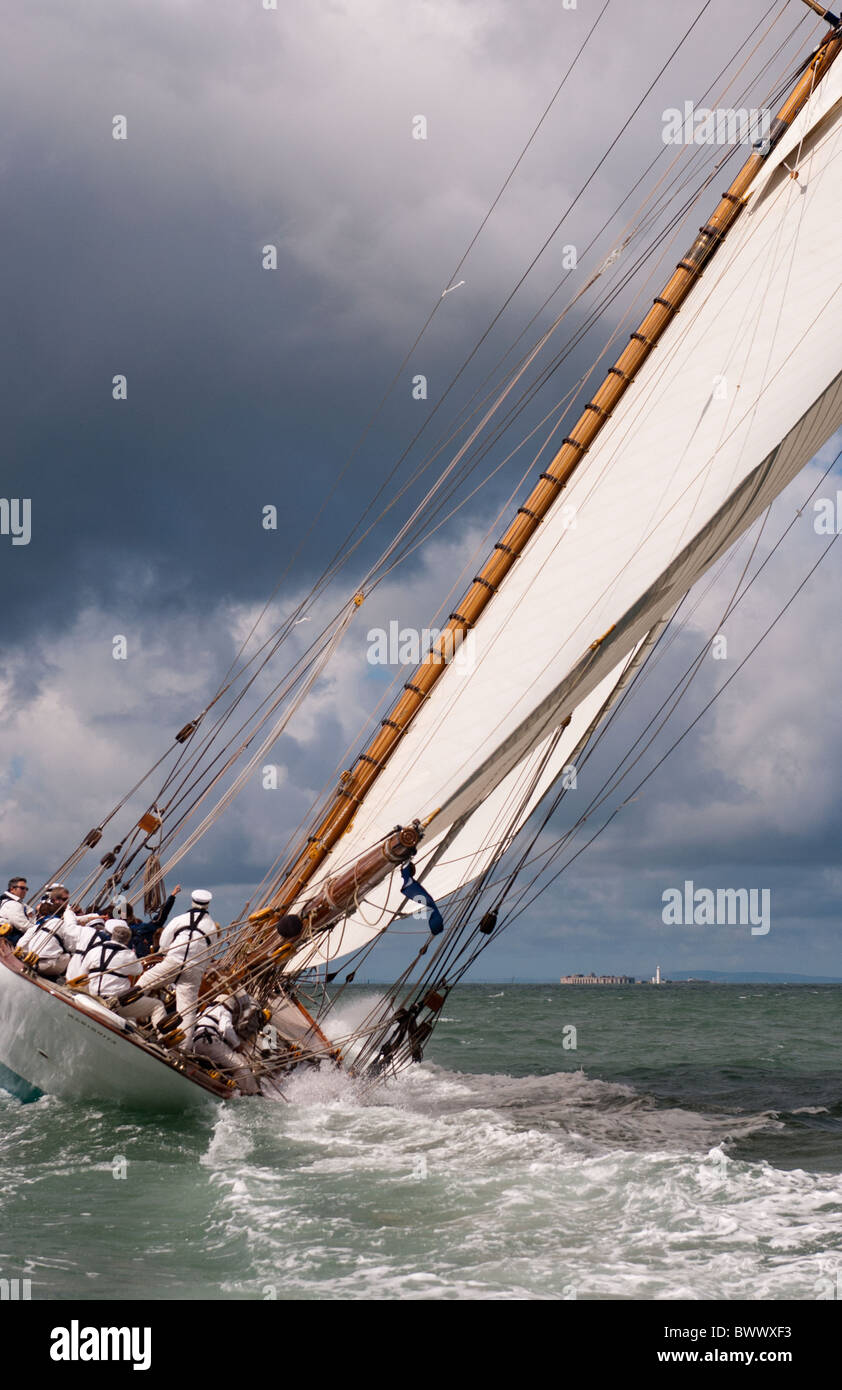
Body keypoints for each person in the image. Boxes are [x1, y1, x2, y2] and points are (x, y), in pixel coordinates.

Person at [138, 889, 218, 1050]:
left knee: (144, 984)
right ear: (208, 905)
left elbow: (164, 943)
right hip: (194, 969)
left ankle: (130, 1016)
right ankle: (181, 1049)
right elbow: (209, 956)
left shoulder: (180, 919)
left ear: (192, 902)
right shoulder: (212, 928)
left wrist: (166, 952)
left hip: (173, 961)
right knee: (187, 1011)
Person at [192, 991, 266, 1095]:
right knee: (240, 1066)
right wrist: (237, 1045)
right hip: (209, 1042)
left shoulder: (205, 1011)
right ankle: (254, 1094)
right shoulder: (223, 1011)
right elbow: (226, 1029)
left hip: (196, 1043)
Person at [16, 884, 79, 977]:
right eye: (65, 899)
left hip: (30, 960)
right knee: (75, 955)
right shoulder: (63, 924)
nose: (67, 902)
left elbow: (21, 944)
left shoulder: (39, 923)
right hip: (48, 966)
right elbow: (72, 946)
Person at [127, 884, 182, 958]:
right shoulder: (147, 927)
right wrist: (172, 896)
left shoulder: (135, 929)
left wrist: (172, 896)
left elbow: (162, 914)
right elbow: (163, 914)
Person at [0, 876, 35, 946]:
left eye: (26, 889)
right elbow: (23, 925)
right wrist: (39, 931)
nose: (25, 891)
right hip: (10, 942)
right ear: (12, 889)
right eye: (22, 888)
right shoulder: (12, 904)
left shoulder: (9, 902)